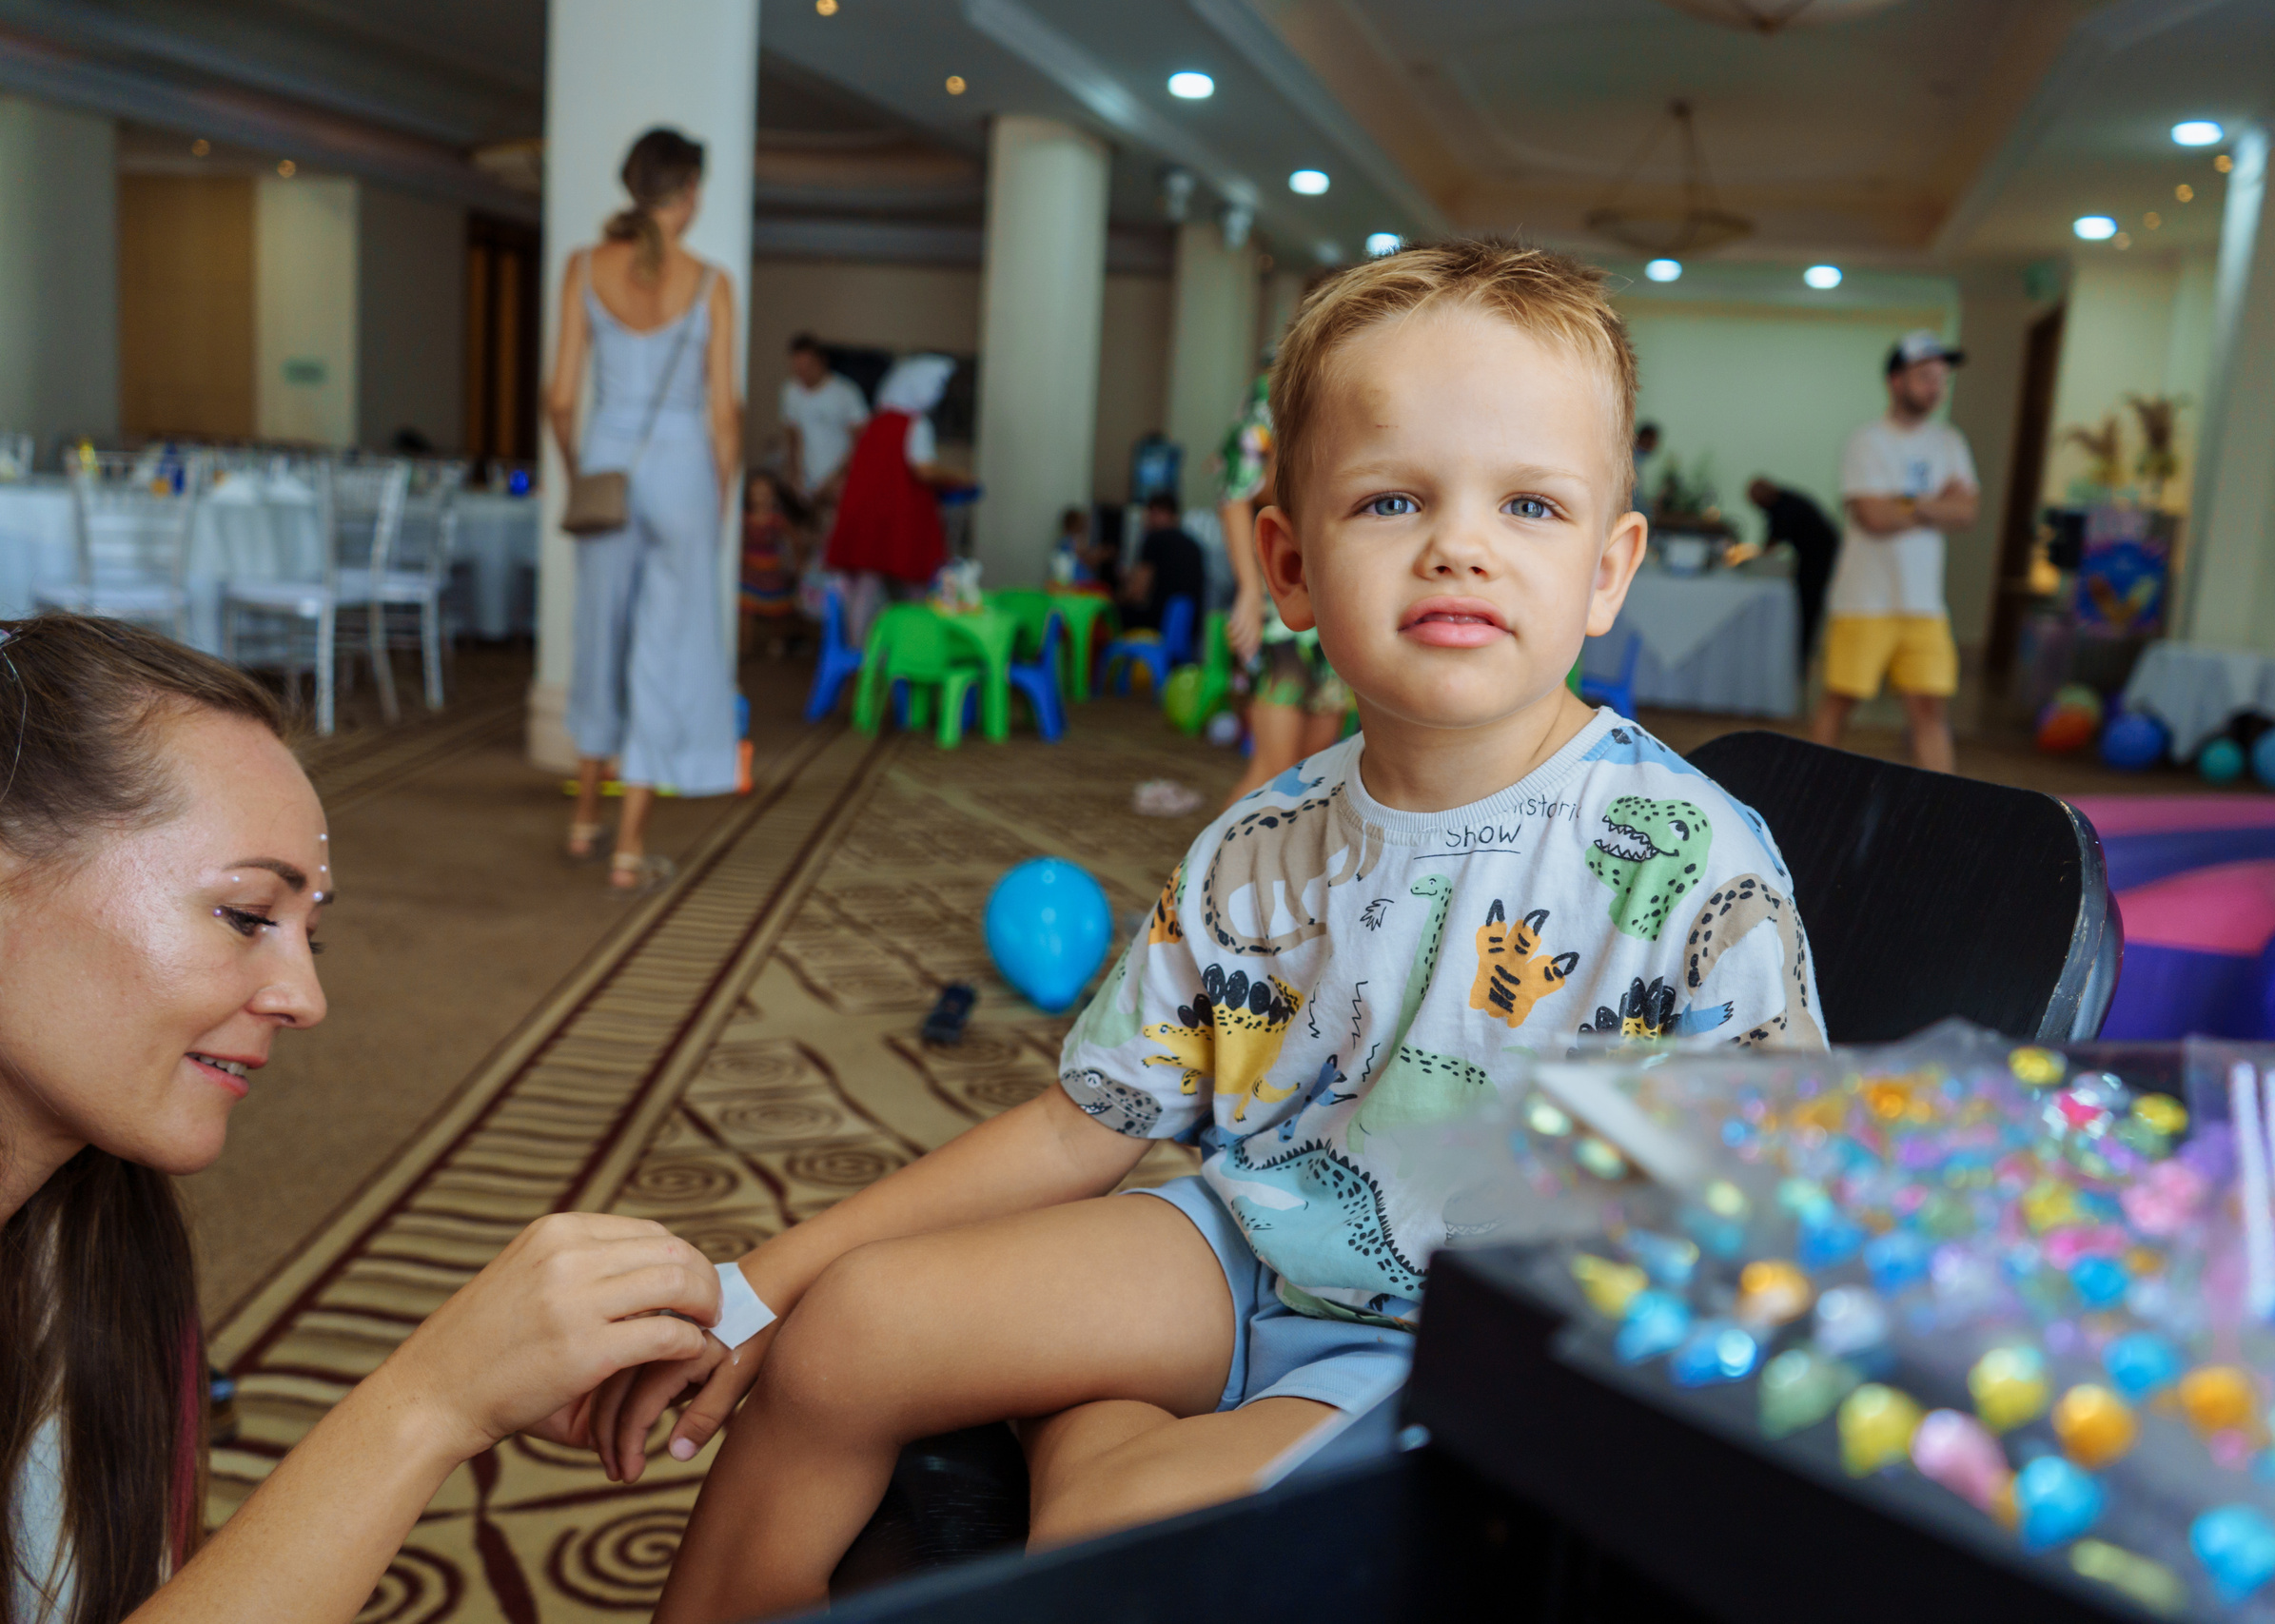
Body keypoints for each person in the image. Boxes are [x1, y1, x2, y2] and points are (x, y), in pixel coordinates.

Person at [600, 239, 1824, 1624]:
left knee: (1115, 1523)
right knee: (852, 1331)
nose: (1461, 542)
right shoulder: (1261, 836)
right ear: (1289, 565)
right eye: (1393, 497)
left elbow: (1760, 1224)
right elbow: (1085, 1124)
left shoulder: (1685, 859)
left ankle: (1094, 1432)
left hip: (1467, 1337)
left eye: (1530, 503)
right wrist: (757, 1284)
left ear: (1608, 571)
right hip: (1250, 1240)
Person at [0, 613, 722, 1624]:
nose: (305, 997)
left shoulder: (97, 1235)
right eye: (248, 915)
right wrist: (430, 1401)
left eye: (311, 938)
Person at [548, 127, 742, 891]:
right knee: (665, 653)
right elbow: (724, 415)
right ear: (689, 191)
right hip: (685, 475)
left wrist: (581, 472)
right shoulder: (711, 283)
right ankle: (629, 848)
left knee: (600, 639)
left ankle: (583, 820)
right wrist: (718, 500)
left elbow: (560, 400)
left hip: (609, 470)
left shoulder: (584, 268)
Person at [1813, 329, 1979, 774]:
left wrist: (1903, 503)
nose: (1935, 386)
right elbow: (1872, 518)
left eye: (1941, 377)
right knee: (1840, 701)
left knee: (1930, 710)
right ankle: (1808, 784)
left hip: (1924, 605)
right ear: (1895, 382)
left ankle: (1942, 808)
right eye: (1925, 376)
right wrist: (1933, 503)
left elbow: (1967, 512)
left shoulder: (1950, 442)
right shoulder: (1866, 441)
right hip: (1864, 601)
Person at [1218, 371, 1348, 803]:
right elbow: (1237, 491)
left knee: (1313, 773)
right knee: (1271, 770)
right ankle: (1210, 872)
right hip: (1282, 606)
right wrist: (1249, 591)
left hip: (1340, 604)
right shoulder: (1280, 378)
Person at [823, 354, 966, 647]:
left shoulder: (876, 423)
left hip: (868, 516)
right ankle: (917, 650)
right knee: (917, 588)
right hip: (903, 517)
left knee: (866, 584)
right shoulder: (915, 425)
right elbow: (923, 470)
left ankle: (858, 653)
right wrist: (962, 477)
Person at [1746, 476, 1840, 661]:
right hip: (1812, 556)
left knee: (1808, 602)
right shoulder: (1784, 501)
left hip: (1819, 558)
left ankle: (1801, 653)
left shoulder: (1785, 506)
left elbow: (1773, 540)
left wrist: (1754, 561)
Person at [775, 332, 867, 513]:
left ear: (822, 361)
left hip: (839, 483)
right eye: (797, 368)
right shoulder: (790, 391)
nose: (803, 374)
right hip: (805, 484)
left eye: (807, 367)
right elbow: (792, 435)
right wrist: (794, 474)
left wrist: (838, 478)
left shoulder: (846, 393)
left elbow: (861, 441)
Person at [738, 471, 806, 660]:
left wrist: (798, 563)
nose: (762, 497)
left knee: (776, 611)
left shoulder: (778, 520)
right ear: (750, 496)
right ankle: (744, 646)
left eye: (766, 492)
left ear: (773, 495)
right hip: (750, 572)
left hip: (772, 572)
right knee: (746, 608)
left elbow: (795, 540)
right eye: (757, 492)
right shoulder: (744, 519)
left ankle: (777, 641)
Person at [1116, 492, 1206, 634]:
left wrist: (1116, 596)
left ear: (1155, 512)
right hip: (1189, 630)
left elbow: (1137, 592)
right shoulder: (1194, 545)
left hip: (1160, 623)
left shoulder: (1155, 539)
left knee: (1115, 613)